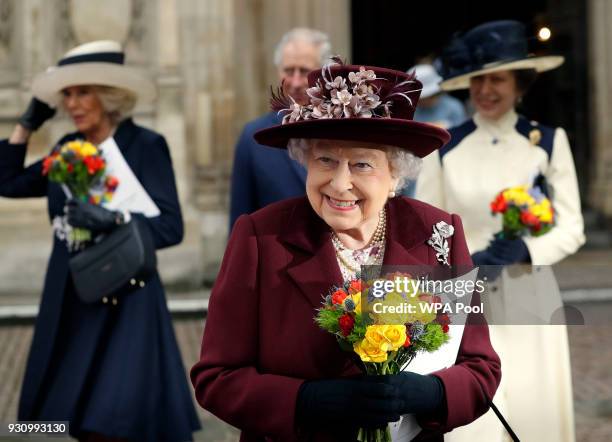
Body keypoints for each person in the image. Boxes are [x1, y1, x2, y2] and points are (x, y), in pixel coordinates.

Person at [191, 61, 501, 441]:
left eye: (361, 164)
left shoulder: (437, 233)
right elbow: (216, 379)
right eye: (325, 160)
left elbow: (480, 369)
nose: (340, 183)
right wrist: (308, 400)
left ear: (395, 176)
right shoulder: (260, 238)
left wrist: (431, 393)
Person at [0, 41, 200, 441]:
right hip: (73, 293)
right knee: (74, 415)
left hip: (128, 297)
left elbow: (171, 227)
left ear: (109, 97)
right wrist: (25, 125)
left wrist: (115, 219)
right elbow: (5, 182)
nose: (72, 103)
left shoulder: (145, 146)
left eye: (83, 92)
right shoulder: (66, 151)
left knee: (117, 420)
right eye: (67, 95)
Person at [416, 20, 585, 441]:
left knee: (532, 414)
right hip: (465, 295)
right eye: (478, 80)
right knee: (476, 423)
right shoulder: (445, 145)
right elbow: (426, 227)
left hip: (529, 293)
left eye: (497, 79)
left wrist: (527, 250)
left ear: (520, 84)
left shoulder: (546, 141)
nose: (486, 90)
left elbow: (573, 228)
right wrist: (454, 270)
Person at [229, 27, 332, 230]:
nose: (295, 82)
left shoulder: (345, 132)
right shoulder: (254, 137)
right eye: (288, 71)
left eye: (304, 71)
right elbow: (240, 222)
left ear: (323, 75)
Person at [401, 63, 467, 197]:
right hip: (415, 166)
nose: (424, 101)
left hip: (446, 162)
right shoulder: (409, 110)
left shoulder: (453, 107)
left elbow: (463, 140)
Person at [412, 63, 466, 130]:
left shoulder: (453, 106)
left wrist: (447, 126)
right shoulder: (412, 111)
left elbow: (462, 131)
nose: (420, 102)